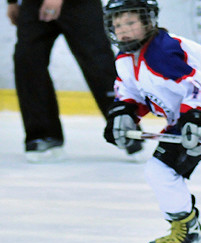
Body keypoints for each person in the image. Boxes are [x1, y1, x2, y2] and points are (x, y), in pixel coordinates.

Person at [101, 0, 201, 243]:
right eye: (118, 24)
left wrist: (193, 118)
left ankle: (188, 231)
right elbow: (131, 93)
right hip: (182, 120)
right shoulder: (126, 58)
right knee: (161, 171)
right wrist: (123, 114)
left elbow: (197, 87)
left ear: (148, 21)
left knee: (161, 171)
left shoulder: (164, 50)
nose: (123, 30)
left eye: (130, 22)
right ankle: (185, 228)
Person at [6, 0, 120, 162]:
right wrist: (11, 2)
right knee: (28, 61)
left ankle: (124, 126)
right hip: (33, 4)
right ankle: (43, 135)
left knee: (98, 64)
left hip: (80, 5)